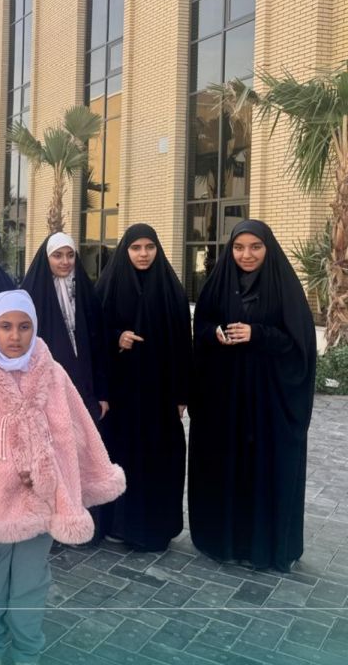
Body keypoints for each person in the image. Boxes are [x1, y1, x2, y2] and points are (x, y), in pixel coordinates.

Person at [0, 291, 125, 665]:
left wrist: (67, 475)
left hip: (41, 501)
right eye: (5, 326)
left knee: (31, 582)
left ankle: (27, 651)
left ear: (35, 327)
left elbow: (76, 430)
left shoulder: (52, 374)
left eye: (24, 326)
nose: (15, 336)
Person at [188, 220, 316, 572]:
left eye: (255, 247)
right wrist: (215, 333)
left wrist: (257, 334)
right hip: (225, 403)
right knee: (227, 470)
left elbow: (300, 345)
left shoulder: (284, 289)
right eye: (239, 247)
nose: (246, 255)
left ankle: (264, 546)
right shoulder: (218, 285)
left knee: (263, 471)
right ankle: (223, 541)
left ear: (267, 249)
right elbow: (201, 327)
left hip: (267, 405)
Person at [95, 224, 192, 552]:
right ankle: (119, 525)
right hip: (122, 395)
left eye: (149, 247)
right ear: (125, 250)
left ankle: (156, 528)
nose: (143, 254)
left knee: (159, 459)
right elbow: (95, 334)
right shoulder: (108, 286)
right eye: (136, 247)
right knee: (122, 457)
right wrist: (117, 338)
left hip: (159, 396)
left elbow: (183, 344)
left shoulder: (171, 290)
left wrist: (181, 394)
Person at [21, 232, 109, 422]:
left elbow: (99, 345)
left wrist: (102, 393)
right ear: (47, 258)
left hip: (84, 382)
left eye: (70, 255)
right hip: (46, 388)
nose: (65, 262)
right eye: (57, 255)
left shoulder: (87, 294)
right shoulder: (31, 295)